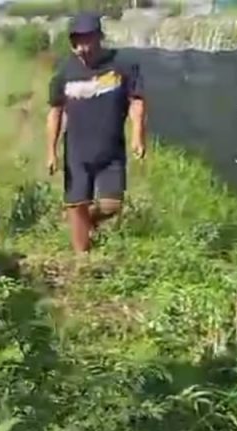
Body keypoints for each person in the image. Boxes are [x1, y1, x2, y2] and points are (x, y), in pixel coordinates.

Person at [46, 12, 146, 254]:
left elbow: (137, 100)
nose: (83, 46)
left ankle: (83, 222)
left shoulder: (121, 65)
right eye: (78, 41)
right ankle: (82, 259)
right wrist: (51, 151)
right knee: (77, 204)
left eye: (88, 39)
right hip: (77, 152)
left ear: (99, 37)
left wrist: (137, 135)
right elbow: (55, 112)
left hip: (111, 149)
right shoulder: (63, 73)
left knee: (112, 205)